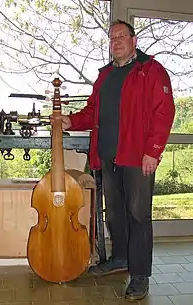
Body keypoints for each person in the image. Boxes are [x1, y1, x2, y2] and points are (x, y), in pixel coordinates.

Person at [51, 19, 175, 301]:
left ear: (134, 41)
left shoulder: (150, 71)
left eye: (121, 36)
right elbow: (92, 111)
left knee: (138, 215)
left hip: (137, 157)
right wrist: (70, 120)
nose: (116, 41)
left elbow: (163, 112)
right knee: (116, 213)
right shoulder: (105, 75)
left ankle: (140, 274)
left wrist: (152, 151)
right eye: (112, 38)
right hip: (108, 156)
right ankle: (120, 258)